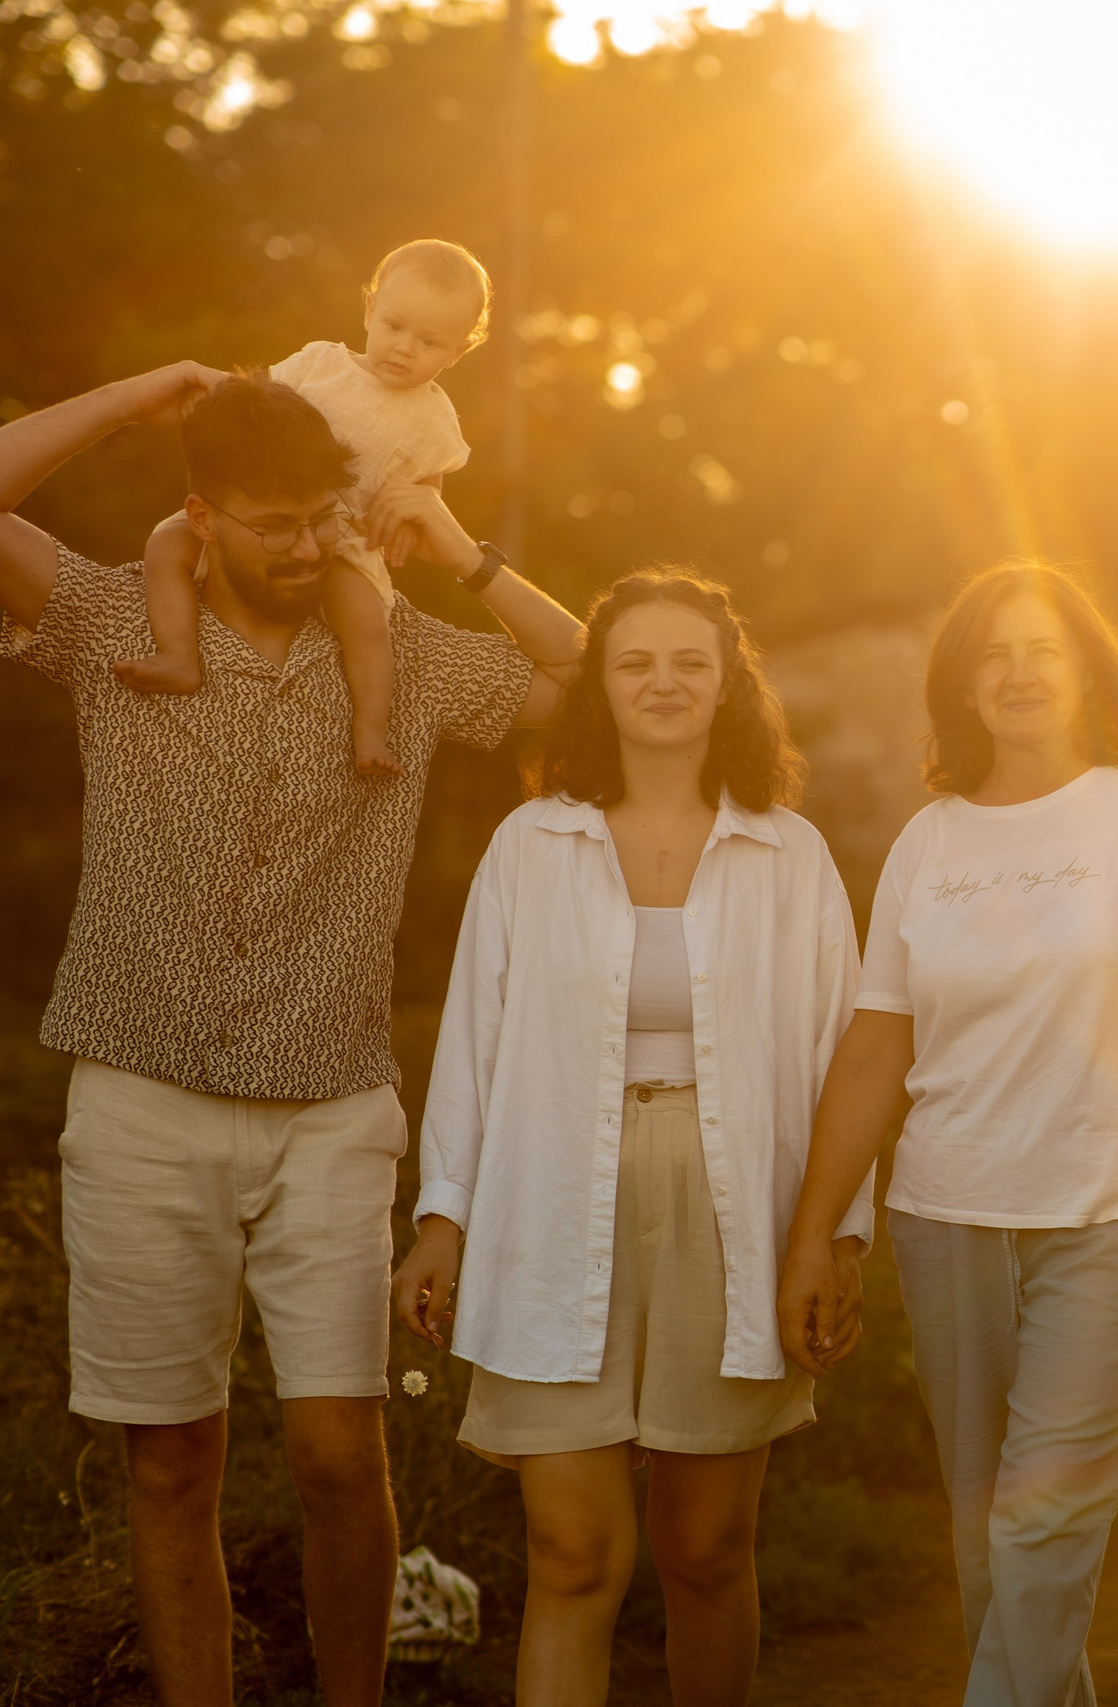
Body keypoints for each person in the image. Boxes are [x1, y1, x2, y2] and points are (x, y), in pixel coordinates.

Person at [0, 365, 585, 1707]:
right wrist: (132, 398)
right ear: (199, 513)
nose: (300, 544)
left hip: (330, 1103)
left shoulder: (408, 649)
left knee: (337, 1451)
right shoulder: (107, 618)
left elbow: (586, 679)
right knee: (170, 1458)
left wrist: (456, 546)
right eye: (267, 520)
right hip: (140, 1098)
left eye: (318, 517)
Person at [774, 561, 1118, 1707]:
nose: (1016, 673)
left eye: (1042, 649)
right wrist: (820, 1231)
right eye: (992, 654)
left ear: (1088, 671)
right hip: (947, 1215)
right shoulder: (929, 841)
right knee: (989, 1550)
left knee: (1042, 1530)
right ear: (959, 685)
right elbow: (874, 1050)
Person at [393, 571, 865, 1707]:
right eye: (635, 663)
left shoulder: (790, 853)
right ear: (598, 687)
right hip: (549, 1199)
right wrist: (441, 1217)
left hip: (733, 1209)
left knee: (705, 1554)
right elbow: (475, 1038)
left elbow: (841, 1059)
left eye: (689, 663)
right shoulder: (531, 843)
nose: (663, 683)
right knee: (573, 1556)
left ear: (726, 686)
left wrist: (836, 1237)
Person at [121, 240, 489, 778]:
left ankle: (369, 730)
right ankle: (179, 655)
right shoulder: (320, 362)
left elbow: (429, 484)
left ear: (458, 352)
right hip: (264, 518)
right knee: (166, 543)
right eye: (394, 326)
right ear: (369, 309)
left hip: (346, 540)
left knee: (366, 623)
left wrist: (412, 516)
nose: (405, 348)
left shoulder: (435, 417)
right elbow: (259, 400)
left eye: (430, 342)